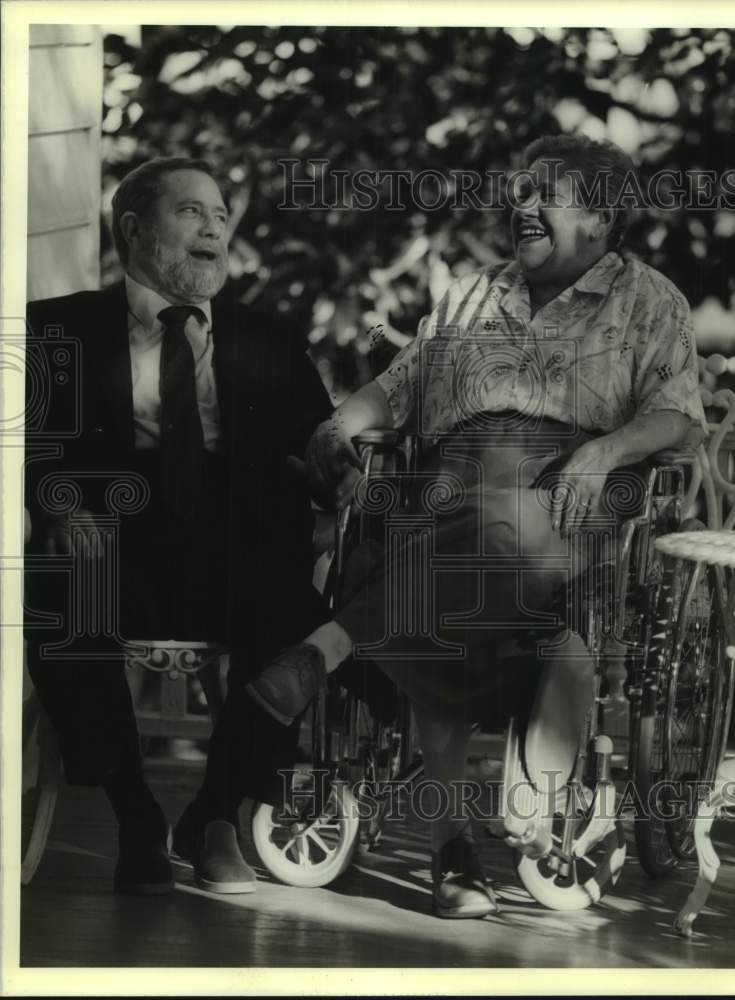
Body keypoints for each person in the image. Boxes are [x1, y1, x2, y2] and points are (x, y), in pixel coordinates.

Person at [240, 134, 707, 918]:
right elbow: (398, 385)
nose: (519, 206)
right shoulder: (468, 295)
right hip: (455, 488)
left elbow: (679, 418)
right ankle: (451, 848)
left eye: (543, 194)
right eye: (517, 192)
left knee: (476, 537)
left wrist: (610, 447)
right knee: (460, 554)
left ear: (599, 217)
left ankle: (331, 654)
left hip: (576, 491)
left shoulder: (648, 298)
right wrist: (336, 427)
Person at [24, 157, 332, 895]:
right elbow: (23, 439)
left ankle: (216, 814)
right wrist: (59, 500)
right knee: (58, 594)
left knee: (296, 618)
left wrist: (343, 466)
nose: (216, 227)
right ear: (133, 228)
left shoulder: (268, 336)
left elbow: (317, 436)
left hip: (237, 543)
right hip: (116, 534)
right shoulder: (58, 327)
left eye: (222, 214)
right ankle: (135, 815)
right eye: (192, 211)